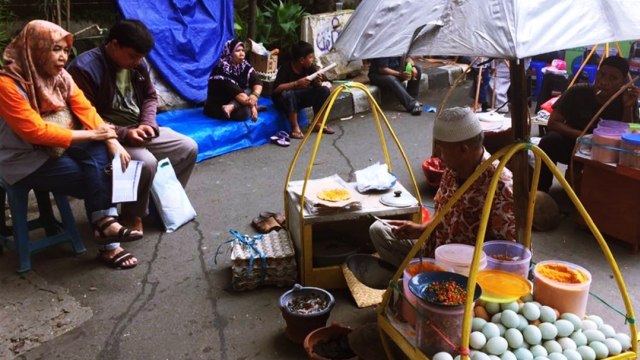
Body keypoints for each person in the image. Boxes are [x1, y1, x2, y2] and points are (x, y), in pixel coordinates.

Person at [0, 20, 142, 269]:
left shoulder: (60, 77)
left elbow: (85, 108)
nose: (63, 57)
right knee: (94, 176)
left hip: (58, 147)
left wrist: (111, 142)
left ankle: (103, 225)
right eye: (56, 49)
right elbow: (35, 132)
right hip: (22, 158)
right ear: (35, 49)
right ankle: (109, 242)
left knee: (106, 159)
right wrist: (93, 136)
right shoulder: (7, 85)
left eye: (66, 50)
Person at [67, 20, 198, 234]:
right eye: (132, 56)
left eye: (141, 57)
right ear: (114, 44)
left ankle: (157, 206)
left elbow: (150, 96)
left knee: (187, 147)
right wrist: (125, 133)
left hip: (137, 126)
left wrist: (147, 123)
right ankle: (132, 212)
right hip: (104, 134)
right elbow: (85, 117)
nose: (137, 62)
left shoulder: (138, 64)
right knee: (145, 162)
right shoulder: (84, 69)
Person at [369, 107, 516, 267]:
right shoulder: (452, 170)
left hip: (465, 270)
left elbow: (508, 254)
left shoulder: (500, 183)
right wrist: (421, 229)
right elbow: (442, 216)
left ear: (463, 150)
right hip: (433, 252)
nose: (436, 155)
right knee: (379, 229)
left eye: (441, 149)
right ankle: (415, 276)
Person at [537, 56, 638, 192]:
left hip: (607, 152)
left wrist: (627, 108)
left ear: (623, 82)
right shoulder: (577, 92)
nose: (604, 82)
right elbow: (553, 123)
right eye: (601, 75)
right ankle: (541, 192)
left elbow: (629, 136)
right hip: (574, 145)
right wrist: (585, 137)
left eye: (613, 78)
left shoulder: (625, 101)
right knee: (549, 140)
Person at [272, 40, 333, 139]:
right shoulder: (285, 68)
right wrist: (296, 84)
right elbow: (276, 89)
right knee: (290, 94)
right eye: (310, 57)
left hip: (300, 98)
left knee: (324, 90)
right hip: (284, 101)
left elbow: (316, 86)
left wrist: (318, 82)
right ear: (301, 60)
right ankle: (295, 128)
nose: (312, 59)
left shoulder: (309, 67)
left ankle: (317, 123)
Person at [204, 39, 263, 121]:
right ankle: (248, 107)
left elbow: (257, 81)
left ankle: (231, 106)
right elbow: (240, 96)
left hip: (235, 100)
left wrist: (255, 95)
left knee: (252, 91)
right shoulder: (221, 69)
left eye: (243, 50)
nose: (242, 54)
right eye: (238, 51)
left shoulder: (243, 65)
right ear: (229, 53)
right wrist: (252, 106)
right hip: (218, 106)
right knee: (245, 113)